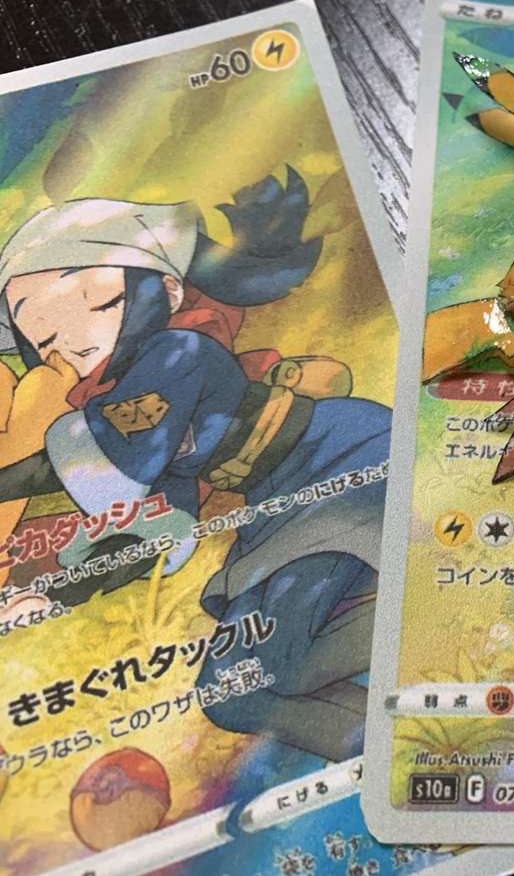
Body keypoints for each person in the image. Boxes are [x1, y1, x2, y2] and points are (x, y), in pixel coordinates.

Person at [0, 170, 389, 761]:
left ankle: (416, 613)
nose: (72, 343)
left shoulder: (177, 351)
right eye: (44, 337)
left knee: (277, 663)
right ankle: (390, 749)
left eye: (98, 302)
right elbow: (154, 529)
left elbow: (91, 452)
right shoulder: (127, 412)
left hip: (336, 459)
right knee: (229, 693)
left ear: (169, 290)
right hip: (274, 505)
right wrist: (55, 594)